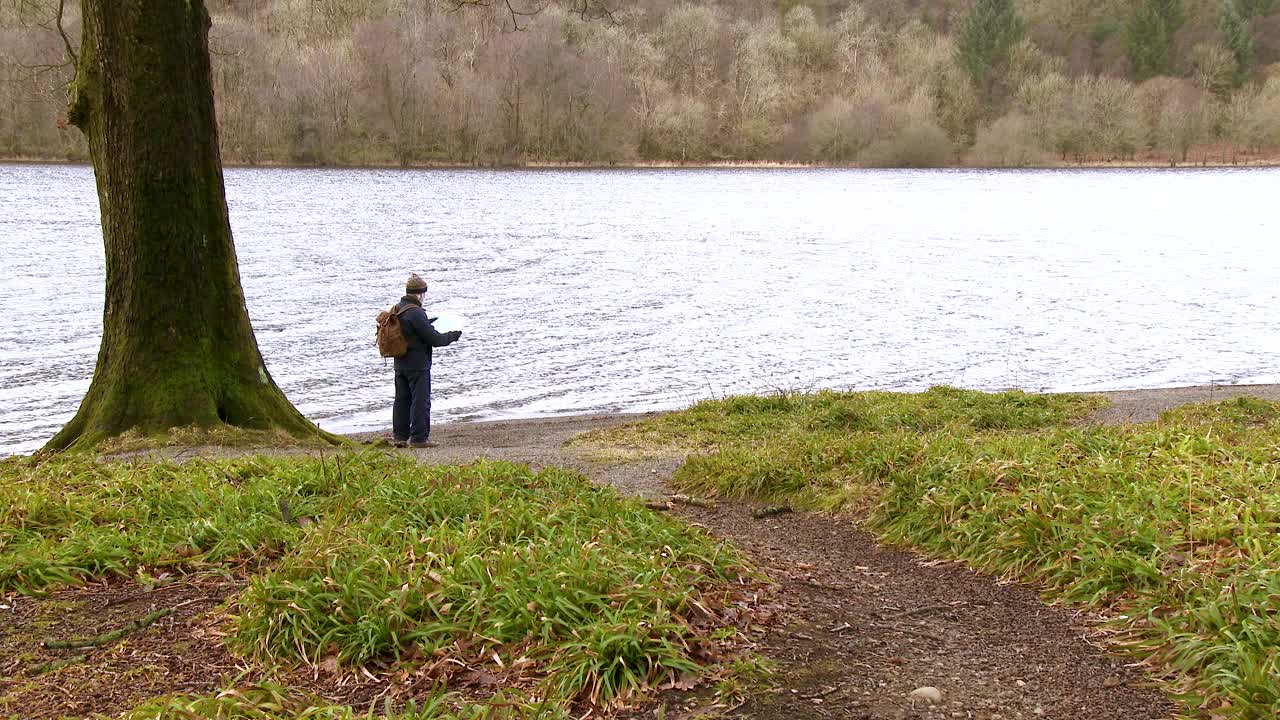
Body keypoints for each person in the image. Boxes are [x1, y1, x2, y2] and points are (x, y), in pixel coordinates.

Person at [392, 273, 462, 448]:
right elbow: (435, 339)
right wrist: (453, 335)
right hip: (417, 365)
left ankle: (400, 436)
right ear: (419, 294)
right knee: (420, 400)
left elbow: (412, 329)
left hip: (400, 363)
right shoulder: (416, 312)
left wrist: (429, 322)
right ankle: (418, 438)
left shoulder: (398, 308)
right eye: (424, 294)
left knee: (402, 399)